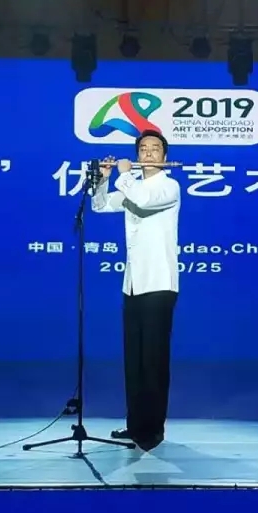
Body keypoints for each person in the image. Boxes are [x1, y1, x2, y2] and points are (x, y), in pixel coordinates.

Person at [92, 129, 181, 449]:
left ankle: (153, 430)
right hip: (133, 284)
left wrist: (125, 174)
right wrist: (103, 179)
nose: (148, 153)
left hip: (159, 283)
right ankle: (135, 425)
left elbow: (142, 199)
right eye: (143, 148)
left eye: (155, 149)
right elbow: (101, 206)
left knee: (153, 360)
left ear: (164, 156)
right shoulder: (133, 185)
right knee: (135, 360)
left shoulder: (169, 186)